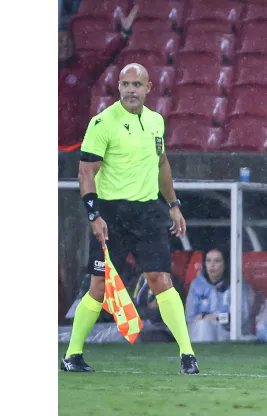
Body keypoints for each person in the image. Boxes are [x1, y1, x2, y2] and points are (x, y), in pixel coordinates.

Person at [61, 63, 199, 374]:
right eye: (125, 84)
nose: (130, 90)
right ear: (119, 87)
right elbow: (86, 172)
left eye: (137, 84)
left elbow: (162, 164)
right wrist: (93, 215)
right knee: (99, 286)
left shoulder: (156, 122)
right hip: (111, 214)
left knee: (161, 280)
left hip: (149, 212)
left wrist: (173, 204)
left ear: (149, 87)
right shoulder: (103, 122)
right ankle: (73, 354)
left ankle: (187, 355)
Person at [59, 5, 139, 149]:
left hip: (76, 146)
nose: (64, 45)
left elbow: (106, 54)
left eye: (68, 40)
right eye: (59, 41)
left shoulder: (84, 68)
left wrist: (124, 34)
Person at [185, 247, 267, 342]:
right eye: (208, 261)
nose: (212, 265)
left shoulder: (237, 285)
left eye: (217, 261)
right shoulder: (197, 284)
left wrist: (217, 318)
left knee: (205, 325)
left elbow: (241, 318)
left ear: (225, 264)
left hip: (228, 335)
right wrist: (206, 319)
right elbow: (190, 317)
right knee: (203, 326)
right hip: (199, 332)